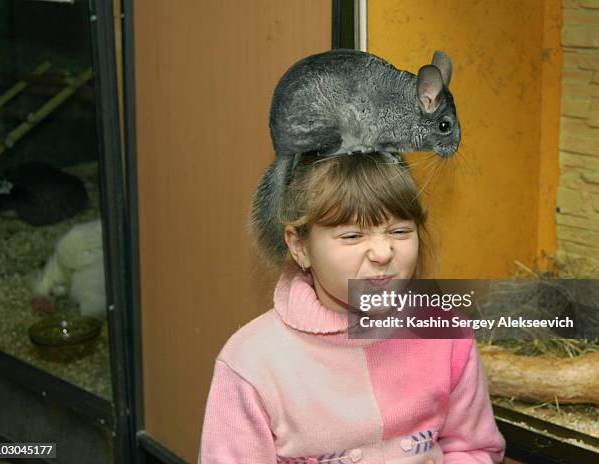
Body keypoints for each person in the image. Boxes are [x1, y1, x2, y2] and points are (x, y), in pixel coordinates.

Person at [199, 152, 505, 463]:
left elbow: (474, 449)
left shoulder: (447, 334)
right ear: (299, 246)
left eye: (400, 231)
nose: (383, 252)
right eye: (352, 235)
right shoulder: (251, 363)